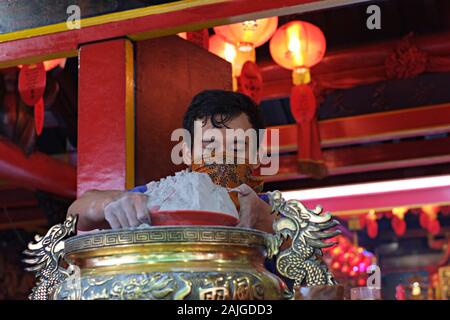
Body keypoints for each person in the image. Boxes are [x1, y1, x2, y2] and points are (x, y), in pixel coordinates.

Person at [68, 90, 274, 233]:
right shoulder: (161, 199)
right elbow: (77, 213)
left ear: (257, 156)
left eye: (236, 147)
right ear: (186, 153)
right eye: (209, 145)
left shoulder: (273, 211)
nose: (221, 157)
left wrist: (272, 224)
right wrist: (111, 202)